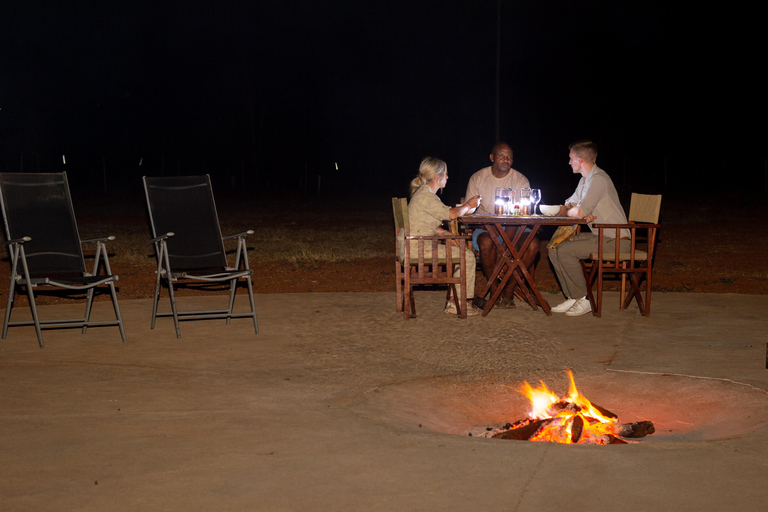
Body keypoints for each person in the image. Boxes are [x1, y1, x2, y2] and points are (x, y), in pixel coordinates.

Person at [548, 140, 630, 317]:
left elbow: (577, 211)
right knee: (554, 247)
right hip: (601, 236)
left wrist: (575, 212)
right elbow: (570, 204)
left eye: (571, 158)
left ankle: (583, 299)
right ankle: (572, 296)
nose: (569, 162)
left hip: (617, 241)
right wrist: (573, 210)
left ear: (580, 159)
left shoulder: (599, 179)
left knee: (566, 250)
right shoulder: (585, 180)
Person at [464, 141, 540, 309]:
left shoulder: (520, 180)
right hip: (486, 227)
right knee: (486, 242)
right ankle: (494, 288)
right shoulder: (478, 178)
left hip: (516, 228)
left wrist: (505, 243)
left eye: (509, 157)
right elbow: (469, 211)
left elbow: (523, 213)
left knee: (533, 244)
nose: (506, 160)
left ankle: (509, 288)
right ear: (492, 158)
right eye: (502, 156)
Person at [407, 156, 482, 316]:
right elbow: (451, 214)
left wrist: (446, 234)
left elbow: (425, 223)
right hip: (418, 248)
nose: (447, 177)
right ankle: (459, 303)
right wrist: (468, 205)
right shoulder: (426, 197)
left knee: (459, 251)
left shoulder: (422, 195)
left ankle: (454, 301)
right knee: (467, 256)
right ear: (437, 177)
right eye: (445, 174)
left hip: (414, 245)